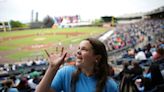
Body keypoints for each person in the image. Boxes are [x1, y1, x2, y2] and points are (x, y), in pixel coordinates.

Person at [36, 38, 118, 92]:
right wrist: (52, 68)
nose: (78, 52)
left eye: (84, 49)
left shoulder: (110, 86)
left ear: (97, 58)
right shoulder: (66, 73)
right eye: (78, 48)